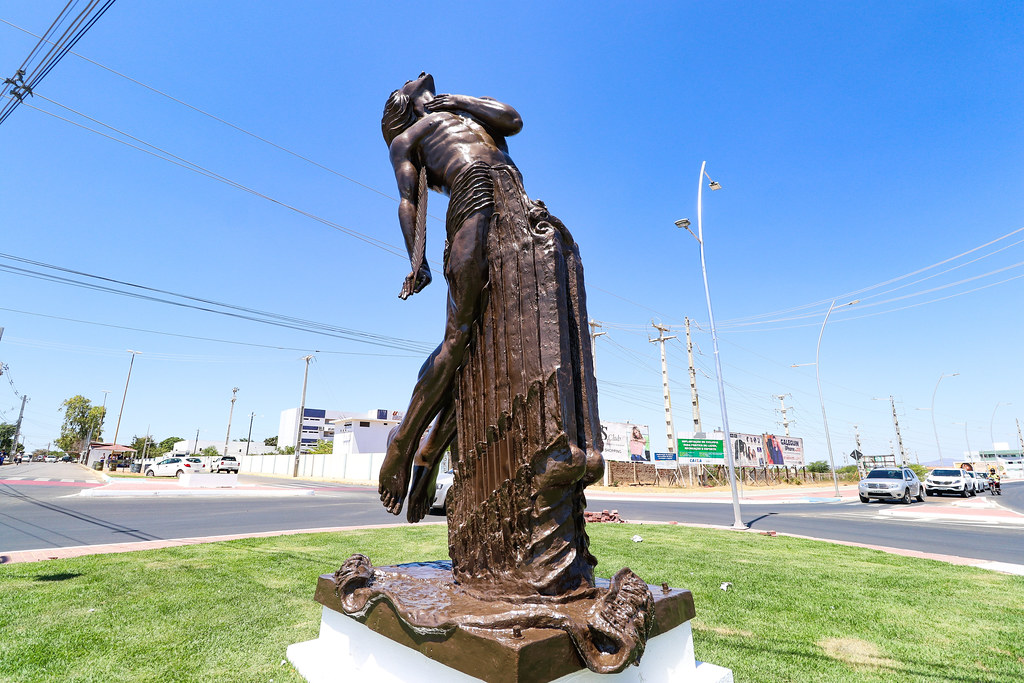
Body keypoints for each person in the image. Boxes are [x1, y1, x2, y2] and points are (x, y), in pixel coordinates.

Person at [376, 73, 527, 517]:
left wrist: (457, 100)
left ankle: (430, 453)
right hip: (471, 194)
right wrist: (416, 260)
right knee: (460, 337)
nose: (416, 74)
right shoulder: (407, 138)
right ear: (402, 102)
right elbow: (408, 200)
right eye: (406, 81)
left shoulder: (470, 108)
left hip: (515, 202)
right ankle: (404, 442)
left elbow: (513, 120)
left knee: (490, 351)